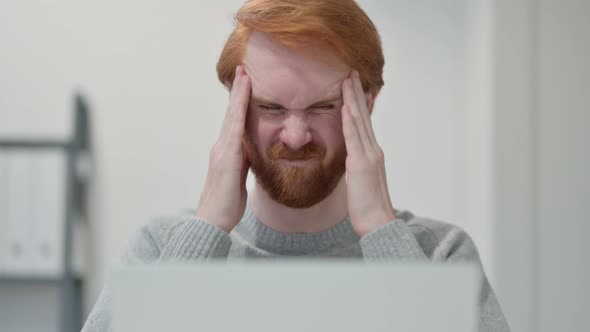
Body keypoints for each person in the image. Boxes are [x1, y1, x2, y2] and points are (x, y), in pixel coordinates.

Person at [82, 1, 510, 331]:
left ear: (369, 104)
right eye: (270, 107)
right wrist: (208, 227)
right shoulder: (159, 253)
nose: (295, 136)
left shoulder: (439, 257)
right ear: (237, 102)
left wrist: (383, 231)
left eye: (323, 107)